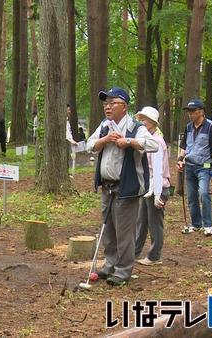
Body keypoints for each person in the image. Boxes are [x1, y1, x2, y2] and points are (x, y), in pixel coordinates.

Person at [86, 87, 158, 286]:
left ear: (124, 107)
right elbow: (89, 144)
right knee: (108, 228)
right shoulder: (104, 125)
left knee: (124, 230)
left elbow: (154, 145)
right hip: (106, 187)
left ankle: (123, 270)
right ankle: (110, 263)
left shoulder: (135, 127)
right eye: (105, 104)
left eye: (112, 103)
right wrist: (104, 140)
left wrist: (129, 141)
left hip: (127, 187)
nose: (107, 107)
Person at [134, 107, 171, 266]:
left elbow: (157, 170)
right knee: (142, 221)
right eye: (140, 119)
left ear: (152, 122)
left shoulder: (156, 142)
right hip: (148, 188)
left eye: (144, 120)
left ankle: (154, 256)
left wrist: (157, 194)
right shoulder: (149, 139)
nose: (141, 122)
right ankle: (134, 252)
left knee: (155, 223)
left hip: (158, 187)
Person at [177, 99, 212, 236]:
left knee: (204, 193)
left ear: (201, 112)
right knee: (191, 196)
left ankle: (208, 225)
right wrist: (180, 159)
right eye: (189, 111)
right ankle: (196, 224)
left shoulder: (211, 126)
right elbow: (184, 146)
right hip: (189, 166)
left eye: (193, 111)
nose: (190, 114)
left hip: (204, 166)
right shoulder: (188, 127)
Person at [66, 104, 79, 177]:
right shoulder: (63, 121)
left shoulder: (67, 121)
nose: (69, 111)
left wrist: (72, 141)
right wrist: (72, 141)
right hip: (65, 143)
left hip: (68, 142)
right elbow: (66, 133)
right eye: (68, 110)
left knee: (68, 157)